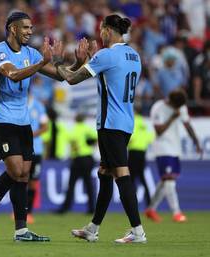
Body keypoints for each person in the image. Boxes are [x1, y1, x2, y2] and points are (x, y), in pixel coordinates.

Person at [0, 11, 77, 242]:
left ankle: (21, 231)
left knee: (23, 175)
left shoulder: (31, 53)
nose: (30, 32)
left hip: (23, 121)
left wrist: (74, 62)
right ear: (12, 28)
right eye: (25, 28)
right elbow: (12, 75)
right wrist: (42, 62)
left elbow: (62, 77)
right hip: (1, 119)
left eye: (31, 28)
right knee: (14, 171)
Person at [53, 14, 147, 243]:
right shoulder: (134, 55)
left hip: (110, 123)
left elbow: (72, 79)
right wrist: (93, 59)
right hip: (125, 121)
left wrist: (57, 62)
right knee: (104, 172)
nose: (100, 33)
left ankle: (138, 232)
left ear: (107, 31)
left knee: (121, 174)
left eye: (101, 29)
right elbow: (112, 76)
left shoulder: (107, 55)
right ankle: (93, 229)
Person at [145, 89, 202, 223]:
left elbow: (187, 125)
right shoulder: (158, 107)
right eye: (176, 106)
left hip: (175, 148)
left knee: (166, 180)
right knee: (169, 180)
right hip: (162, 148)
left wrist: (196, 141)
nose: (178, 109)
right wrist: (172, 118)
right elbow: (159, 131)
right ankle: (177, 213)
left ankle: (151, 209)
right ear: (170, 101)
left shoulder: (180, 107)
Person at [55, 113, 97, 214]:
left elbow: (69, 141)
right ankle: (92, 208)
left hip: (77, 159)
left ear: (75, 119)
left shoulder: (73, 130)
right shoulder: (87, 129)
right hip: (88, 158)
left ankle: (65, 208)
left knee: (71, 184)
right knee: (88, 184)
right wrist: (90, 144)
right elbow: (95, 138)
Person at [25, 94, 49, 224]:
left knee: (33, 181)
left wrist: (31, 135)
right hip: (22, 149)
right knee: (21, 179)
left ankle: (29, 212)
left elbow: (45, 127)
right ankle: (20, 211)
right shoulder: (19, 104)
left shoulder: (39, 106)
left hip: (37, 150)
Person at [128, 105, 155, 208]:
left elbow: (131, 138)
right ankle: (149, 204)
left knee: (131, 180)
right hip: (142, 153)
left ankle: (131, 205)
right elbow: (150, 138)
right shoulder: (144, 123)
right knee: (142, 179)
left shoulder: (132, 121)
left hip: (133, 152)